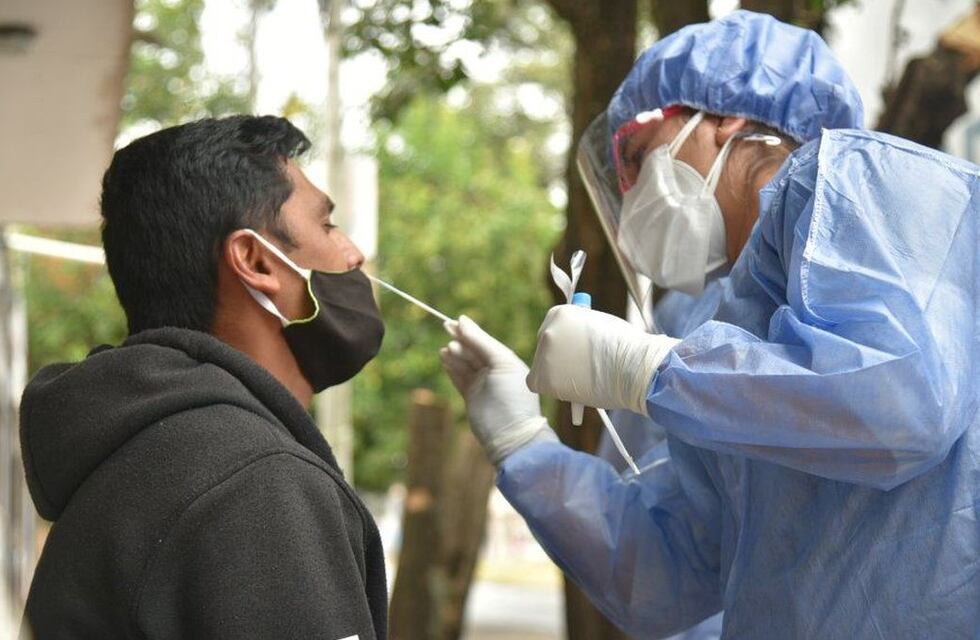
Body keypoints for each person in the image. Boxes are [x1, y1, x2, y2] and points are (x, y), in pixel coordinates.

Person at [442, 10, 980, 639]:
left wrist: (646, 369)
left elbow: (900, 404)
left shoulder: (857, 180)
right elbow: (674, 575)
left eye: (637, 154)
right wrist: (524, 444)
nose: (631, 191)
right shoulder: (730, 333)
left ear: (722, 117)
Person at [20, 116, 388, 639]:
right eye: (327, 225)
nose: (353, 253)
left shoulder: (144, 451)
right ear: (256, 260)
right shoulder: (257, 484)